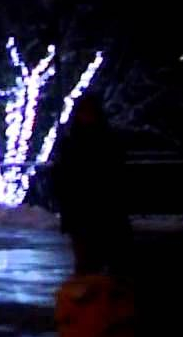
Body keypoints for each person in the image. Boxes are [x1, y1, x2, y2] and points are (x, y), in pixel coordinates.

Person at [50, 97, 129, 274]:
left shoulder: (84, 142)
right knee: (90, 262)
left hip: (99, 208)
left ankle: (98, 294)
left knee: (100, 262)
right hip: (86, 209)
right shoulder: (78, 142)